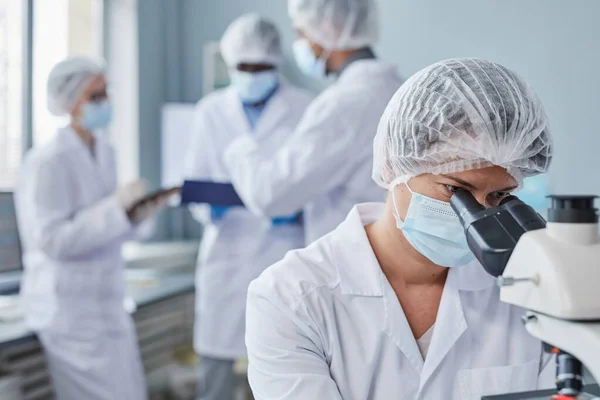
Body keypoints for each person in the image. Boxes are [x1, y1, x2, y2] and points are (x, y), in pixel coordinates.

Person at [245, 58, 555, 400]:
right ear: (395, 164)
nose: (479, 215)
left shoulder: (527, 290)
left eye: (499, 195)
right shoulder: (290, 298)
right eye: (456, 190)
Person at [15, 56, 169, 400]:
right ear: (68, 103)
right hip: (70, 311)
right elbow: (52, 241)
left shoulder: (106, 151)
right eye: (94, 96)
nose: (104, 102)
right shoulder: (47, 161)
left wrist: (137, 213)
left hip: (108, 302)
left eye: (105, 93)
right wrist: (115, 208)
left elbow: (109, 229)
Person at [183, 14, 313, 400]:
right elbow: (196, 179)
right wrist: (210, 209)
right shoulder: (210, 110)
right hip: (227, 250)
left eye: (262, 66)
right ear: (231, 64)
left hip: (282, 249)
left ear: (277, 64)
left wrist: (295, 208)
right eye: (245, 66)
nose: (253, 73)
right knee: (216, 371)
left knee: (283, 366)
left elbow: (314, 184)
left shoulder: (306, 108)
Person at [222, 0, 402, 244]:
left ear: (329, 29)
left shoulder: (342, 104)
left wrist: (239, 148)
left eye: (301, 33)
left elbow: (271, 195)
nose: (301, 45)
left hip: (350, 257)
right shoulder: (398, 89)